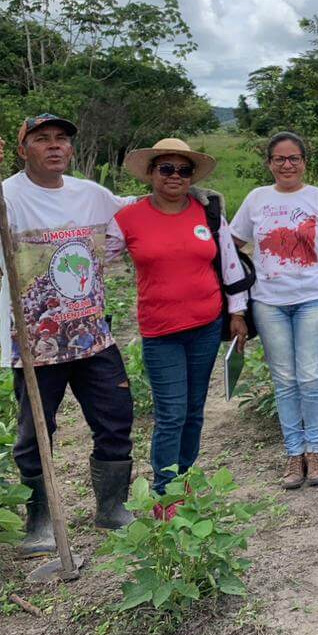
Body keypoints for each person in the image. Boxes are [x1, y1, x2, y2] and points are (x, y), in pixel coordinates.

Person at [0, 115, 136, 555]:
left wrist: (187, 195)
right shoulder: (6, 195)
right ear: (22, 150)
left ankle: (111, 508)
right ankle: (39, 519)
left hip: (92, 333)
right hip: (33, 339)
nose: (54, 146)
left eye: (61, 140)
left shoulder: (93, 195)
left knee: (116, 419)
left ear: (71, 150)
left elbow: (140, 216)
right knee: (35, 432)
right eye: (42, 140)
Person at [107, 138, 249, 515]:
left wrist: (237, 312)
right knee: (171, 413)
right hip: (161, 331)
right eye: (166, 169)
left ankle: (184, 477)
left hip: (206, 324)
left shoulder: (209, 211)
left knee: (195, 410)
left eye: (183, 170)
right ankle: (164, 492)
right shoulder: (128, 218)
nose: (175, 176)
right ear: (151, 173)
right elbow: (94, 258)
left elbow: (230, 263)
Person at [232, 132, 318, 490]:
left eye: (294, 158)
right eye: (279, 159)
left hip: (313, 298)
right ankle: (293, 452)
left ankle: (315, 451)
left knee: (313, 377)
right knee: (284, 380)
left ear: (304, 162)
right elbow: (231, 244)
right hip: (269, 302)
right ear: (269, 164)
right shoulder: (256, 199)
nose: (287, 165)